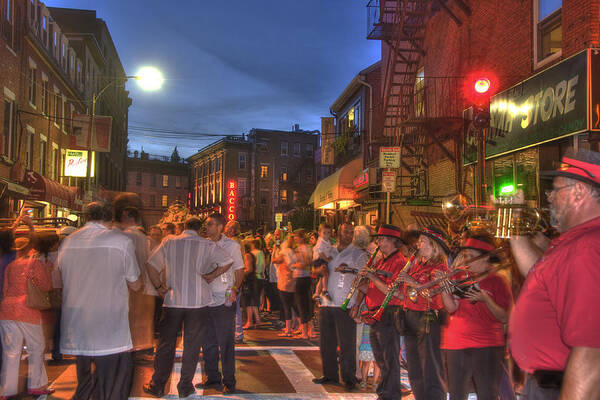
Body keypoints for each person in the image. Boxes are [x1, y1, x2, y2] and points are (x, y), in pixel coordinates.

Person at [508, 148, 600, 399]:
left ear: (579, 192)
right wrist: (513, 225)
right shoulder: (576, 242)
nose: (548, 198)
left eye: (555, 190)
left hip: (561, 385)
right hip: (548, 383)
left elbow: (592, 350)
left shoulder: (587, 248)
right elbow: (542, 278)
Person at [58, 202, 143, 400]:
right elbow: (136, 283)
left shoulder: (69, 241)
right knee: (112, 382)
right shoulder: (119, 241)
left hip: (77, 320)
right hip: (109, 322)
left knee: (85, 379)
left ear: (87, 216)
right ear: (110, 218)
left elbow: (58, 279)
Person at [144, 217, 233, 398]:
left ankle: (158, 384)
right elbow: (228, 260)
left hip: (173, 299)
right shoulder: (206, 245)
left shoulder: (169, 242)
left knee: (166, 344)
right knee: (192, 345)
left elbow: (151, 265)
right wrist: (211, 275)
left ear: (183, 227)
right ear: (199, 229)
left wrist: (159, 287)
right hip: (198, 302)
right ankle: (185, 386)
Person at [440, 234, 512, 400]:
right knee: (457, 394)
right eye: (466, 256)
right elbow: (451, 308)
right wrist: (444, 289)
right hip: (456, 343)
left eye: (472, 257)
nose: (467, 261)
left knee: (487, 393)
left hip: (487, 344)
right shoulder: (459, 277)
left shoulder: (498, 280)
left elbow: (504, 317)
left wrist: (485, 299)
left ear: (486, 258)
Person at [351, 224, 407, 400]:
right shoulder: (381, 260)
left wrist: (373, 276)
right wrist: (361, 286)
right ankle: (384, 391)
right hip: (375, 313)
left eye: (382, 239)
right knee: (380, 357)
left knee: (389, 358)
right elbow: (375, 289)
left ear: (392, 242)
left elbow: (392, 291)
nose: (379, 242)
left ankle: (391, 394)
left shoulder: (399, 262)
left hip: (389, 313)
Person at [312, 223, 368, 391]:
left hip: (346, 303)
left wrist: (357, 304)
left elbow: (363, 280)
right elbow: (314, 269)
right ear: (338, 233)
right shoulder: (329, 250)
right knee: (327, 342)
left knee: (347, 344)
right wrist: (319, 270)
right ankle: (329, 374)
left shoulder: (358, 254)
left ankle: (349, 377)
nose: (348, 235)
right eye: (345, 231)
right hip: (327, 301)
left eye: (351, 232)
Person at [399, 226, 449, 400]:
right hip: (411, 316)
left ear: (434, 246)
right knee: (414, 366)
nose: (418, 245)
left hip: (428, 318)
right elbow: (408, 293)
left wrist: (411, 281)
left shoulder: (439, 268)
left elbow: (434, 297)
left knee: (431, 366)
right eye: (418, 241)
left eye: (422, 241)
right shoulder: (415, 264)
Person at [0, 236, 53, 398]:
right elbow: (46, 286)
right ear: (30, 247)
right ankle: (37, 385)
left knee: (10, 352)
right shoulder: (34, 264)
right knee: (36, 347)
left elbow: (5, 289)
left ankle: (6, 390)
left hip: (7, 311)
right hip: (28, 310)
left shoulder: (10, 266)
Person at [200, 213, 244, 395]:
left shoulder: (231, 245)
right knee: (207, 342)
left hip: (224, 298)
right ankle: (212, 377)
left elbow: (240, 270)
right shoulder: (204, 244)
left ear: (219, 227)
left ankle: (229, 380)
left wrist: (235, 287)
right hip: (205, 298)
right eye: (206, 225)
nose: (207, 227)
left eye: (210, 224)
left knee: (225, 342)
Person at [113, 195, 157, 357]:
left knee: (130, 321)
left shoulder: (125, 236)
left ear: (125, 215)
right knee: (142, 322)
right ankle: (143, 347)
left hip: (130, 285)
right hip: (143, 285)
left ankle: (130, 349)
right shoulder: (143, 237)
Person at [272, 232, 297, 337]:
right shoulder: (294, 252)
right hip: (294, 280)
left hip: (285, 281)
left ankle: (288, 329)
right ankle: (295, 325)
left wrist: (274, 250)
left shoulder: (285, 252)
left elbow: (275, 260)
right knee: (293, 305)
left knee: (286, 305)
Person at [224, 220, 245, 343]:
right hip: (234, 278)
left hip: (231, 278)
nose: (225, 228)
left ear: (232, 230)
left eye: (227, 226)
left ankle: (236, 333)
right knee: (234, 306)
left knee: (231, 305)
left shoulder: (233, 242)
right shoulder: (238, 242)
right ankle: (237, 332)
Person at [290, 229, 313, 339]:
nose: (295, 238)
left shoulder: (303, 248)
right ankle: (309, 330)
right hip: (303, 278)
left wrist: (295, 265)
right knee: (304, 304)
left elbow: (307, 263)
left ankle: (305, 332)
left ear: (302, 238)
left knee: (301, 304)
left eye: (296, 236)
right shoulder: (302, 248)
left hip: (301, 278)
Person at [312, 223, 337, 302]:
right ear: (319, 233)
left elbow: (328, 250)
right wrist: (327, 259)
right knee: (325, 274)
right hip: (319, 260)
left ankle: (317, 293)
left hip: (322, 259)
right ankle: (325, 290)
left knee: (321, 278)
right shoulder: (320, 241)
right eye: (324, 233)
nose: (326, 235)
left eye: (328, 232)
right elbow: (320, 253)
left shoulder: (327, 241)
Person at [241, 241, 259, 329]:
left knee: (248, 302)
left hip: (249, 281)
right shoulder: (250, 255)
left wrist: (240, 274)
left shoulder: (247, 256)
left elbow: (249, 269)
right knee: (251, 302)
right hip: (251, 280)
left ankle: (249, 321)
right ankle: (256, 320)